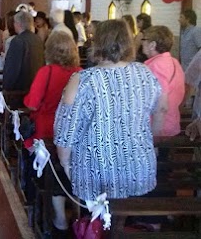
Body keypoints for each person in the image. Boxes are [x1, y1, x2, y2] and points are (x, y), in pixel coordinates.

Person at [54, 19, 161, 203]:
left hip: (98, 173)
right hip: (139, 168)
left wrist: (65, 163)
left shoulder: (83, 80)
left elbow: (66, 132)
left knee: (99, 222)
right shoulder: (145, 73)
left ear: (98, 43)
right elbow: (159, 110)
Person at [22, 31, 82, 231]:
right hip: (73, 134)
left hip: (46, 131)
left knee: (43, 168)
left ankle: (40, 202)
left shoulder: (46, 72)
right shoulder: (81, 73)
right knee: (69, 169)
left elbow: (32, 104)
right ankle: (77, 213)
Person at [142, 26, 184, 136]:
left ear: (152, 45)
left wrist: (154, 139)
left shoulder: (157, 65)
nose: (142, 43)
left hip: (159, 129)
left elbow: (161, 106)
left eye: (144, 39)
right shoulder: (174, 62)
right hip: (172, 123)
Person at [3, 11, 44, 93]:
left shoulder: (17, 41)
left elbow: (12, 67)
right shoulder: (38, 39)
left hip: (20, 89)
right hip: (36, 86)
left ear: (18, 24)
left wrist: (6, 87)